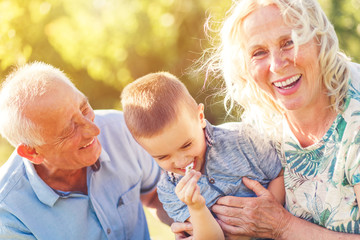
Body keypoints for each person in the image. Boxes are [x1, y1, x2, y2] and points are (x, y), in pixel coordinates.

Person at [171, 0, 360, 239]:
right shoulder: (262, 118)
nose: (277, 65)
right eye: (258, 52)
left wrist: (283, 227)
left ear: (320, 40)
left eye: (289, 42)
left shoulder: (354, 118)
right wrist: (199, 226)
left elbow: (274, 223)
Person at [0, 62, 172, 239]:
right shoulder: (8, 214)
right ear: (32, 152)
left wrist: (190, 223)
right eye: (69, 129)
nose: (94, 130)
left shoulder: (121, 129)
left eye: (84, 109)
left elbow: (154, 195)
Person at [121, 71, 284, 240]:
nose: (181, 161)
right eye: (163, 157)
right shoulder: (171, 190)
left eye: (186, 145)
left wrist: (270, 213)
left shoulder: (243, 139)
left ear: (200, 117)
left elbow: (279, 173)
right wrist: (196, 207)